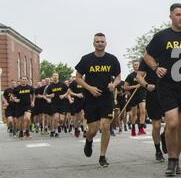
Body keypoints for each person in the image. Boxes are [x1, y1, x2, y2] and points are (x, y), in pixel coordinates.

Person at [143, 3, 181, 177]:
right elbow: (147, 55)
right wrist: (155, 68)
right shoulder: (161, 37)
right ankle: (170, 161)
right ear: (171, 17)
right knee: (172, 122)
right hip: (167, 84)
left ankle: (176, 159)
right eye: (178, 15)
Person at [75, 33, 122, 167]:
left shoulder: (112, 59)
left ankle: (102, 156)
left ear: (106, 43)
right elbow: (78, 77)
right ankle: (89, 141)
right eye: (97, 41)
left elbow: (118, 76)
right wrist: (89, 88)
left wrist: (114, 85)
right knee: (93, 130)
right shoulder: (86, 59)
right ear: (93, 43)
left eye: (102, 41)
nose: (100, 43)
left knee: (106, 126)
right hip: (91, 98)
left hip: (106, 98)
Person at [137, 60, 166, 162]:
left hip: (169, 91)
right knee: (157, 125)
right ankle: (158, 150)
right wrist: (146, 85)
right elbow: (139, 76)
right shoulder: (146, 59)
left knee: (173, 122)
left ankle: (165, 135)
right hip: (153, 92)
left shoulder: (168, 53)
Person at [124, 62, 147, 137]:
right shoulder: (130, 76)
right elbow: (125, 87)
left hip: (142, 94)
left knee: (143, 110)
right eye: (135, 65)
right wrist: (134, 86)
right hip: (133, 95)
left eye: (138, 65)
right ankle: (133, 127)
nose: (137, 66)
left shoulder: (144, 74)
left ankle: (141, 128)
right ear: (133, 66)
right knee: (134, 114)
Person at [45, 73, 69, 138]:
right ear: (52, 77)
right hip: (54, 104)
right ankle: (55, 131)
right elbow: (46, 95)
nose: (55, 77)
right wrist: (50, 96)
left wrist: (64, 95)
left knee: (61, 119)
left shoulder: (62, 84)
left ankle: (58, 126)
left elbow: (69, 91)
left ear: (58, 77)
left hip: (62, 103)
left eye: (56, 76)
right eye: (54, 76)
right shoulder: (50, 86)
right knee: (55, 118)